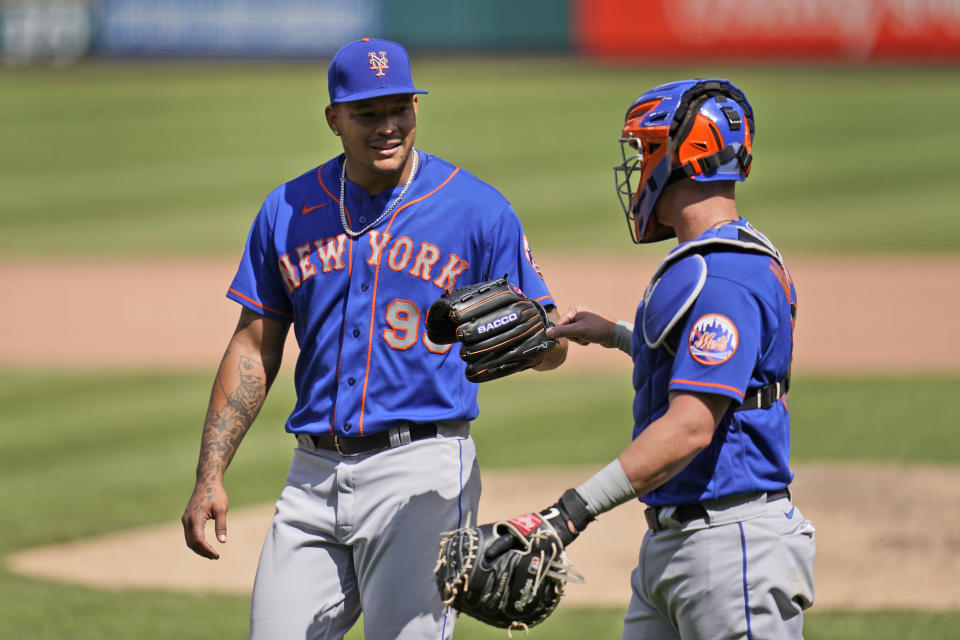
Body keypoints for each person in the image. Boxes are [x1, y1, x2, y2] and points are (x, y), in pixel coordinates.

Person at [180, 37, 567, 640]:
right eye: (367, 113)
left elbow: (550, 341)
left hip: (422, 474)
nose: (387, 127)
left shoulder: (478, 211)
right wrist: (210, 474)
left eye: (399, 109)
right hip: (312, 475)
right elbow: (253, 347)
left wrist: (530, 340)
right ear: (333, 119)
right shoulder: (288, 209)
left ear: (416, 107)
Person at [524, 78, 816, 638]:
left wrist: (570, 513)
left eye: (644, 150)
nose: (637, 170)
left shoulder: (724, 276)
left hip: (731, 553)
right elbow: (714, 365)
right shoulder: (721, 256)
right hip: (680, 544)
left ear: (683, 155)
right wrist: (613, 334)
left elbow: (688, 428)